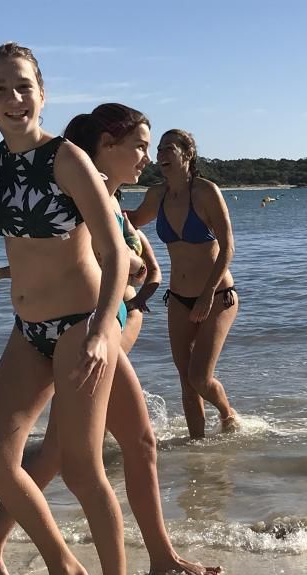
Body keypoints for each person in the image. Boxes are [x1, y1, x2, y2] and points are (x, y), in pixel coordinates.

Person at [0, 103, 222, 575]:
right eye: (139, 146)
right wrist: (128, 286)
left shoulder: (108, 194)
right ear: (106, 147)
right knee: (67, 454)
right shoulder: (89, 190)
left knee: (129, 445)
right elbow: (85, 261)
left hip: (98, 327)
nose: (146, 156)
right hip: (87, 331)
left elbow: (70, 256)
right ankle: (76, 571)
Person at [0, 44, 133, 575]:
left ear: (42, 93)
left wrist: (105, 326)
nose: (13, 98)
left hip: (81, 325)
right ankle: (62, 567)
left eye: (23, 86)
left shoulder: (67, 158)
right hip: (29, 331)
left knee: (82, 468)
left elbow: (116, 253)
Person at [128, 129, 238, 440]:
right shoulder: (157, 195)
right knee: (186, 383)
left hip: (217, 296)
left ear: (187, 154)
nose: (160, 155)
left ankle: (228, 414)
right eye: (157, 149)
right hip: (177, 297)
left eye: (168, 149)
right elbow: (131, 220)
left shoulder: (205, 192)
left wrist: (206, 296)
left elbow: (228, 247)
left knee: (200, 378)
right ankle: (197, 449)